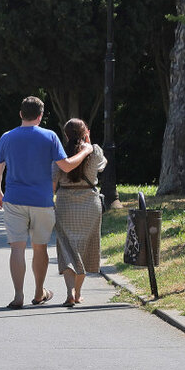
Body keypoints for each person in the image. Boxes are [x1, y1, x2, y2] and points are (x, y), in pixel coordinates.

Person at [0, 96, 92, 309]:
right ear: (40, 116)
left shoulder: (6, 137)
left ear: (21, 114)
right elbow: (65, 166)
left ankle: (18, 295)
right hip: (42, 201)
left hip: (15, 199)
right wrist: (85, 151)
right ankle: (38, 292)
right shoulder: (50, 136)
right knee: (40, 248)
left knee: (17, 248)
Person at [53, 118, 107, 307]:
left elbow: (53, 180)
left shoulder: (60, 153)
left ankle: (69, 292)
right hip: (89, 203)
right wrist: (88, 143)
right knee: (83, 249)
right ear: (86, 133)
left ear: (66, 134)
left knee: (67, 249)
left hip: (65, 203)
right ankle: (78, 293)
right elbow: (101, 166)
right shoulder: (95, 150)